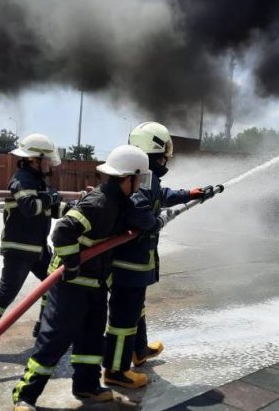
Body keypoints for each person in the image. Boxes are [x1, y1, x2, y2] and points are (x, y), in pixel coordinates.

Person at [12, 144, 158, 410]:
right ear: (129, 177)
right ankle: (25, 395)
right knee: (54, 339)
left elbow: (141, 221)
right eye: (139, 179)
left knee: (91, 337)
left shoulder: (120, 202)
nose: (140, 184)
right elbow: (63, 232)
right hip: (71, 283)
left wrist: (148, 220)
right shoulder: (99, 202)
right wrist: (72, 263)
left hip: (96, 282)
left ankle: (87, 386)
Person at [102, 122, 217, 388]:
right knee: (122, 319)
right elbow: (140, 211)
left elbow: (162, 195)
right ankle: (116, 371)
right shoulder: (137, 181)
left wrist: (190, 193)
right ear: (152, 153)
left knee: (135, 310)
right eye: (164, 154)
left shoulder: (147, 178)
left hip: (139, 263)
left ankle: (138, 351)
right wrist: (156, 221)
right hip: (126, 265)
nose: (167, 160)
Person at [0, 133, 76, 360]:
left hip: (37, 248)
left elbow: (49, 210)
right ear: (34, 160)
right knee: (5, 293)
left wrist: (74, 208)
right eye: (46, 160)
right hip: (19, 248)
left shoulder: (38, 181)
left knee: (55, 284)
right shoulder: (22, 179)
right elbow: (30, 206)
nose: (49, 165)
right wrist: (53, 197)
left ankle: (44, 328)